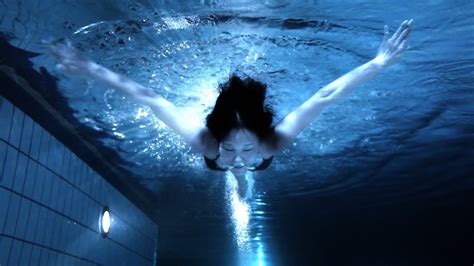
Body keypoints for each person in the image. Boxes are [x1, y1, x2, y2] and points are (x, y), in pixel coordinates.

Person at [48, 19, 413, 198]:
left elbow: (322, 97)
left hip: (250, 141)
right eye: (230, 147)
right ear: (215, 137)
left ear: (263, 140)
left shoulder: (272, 143)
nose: (238, 155)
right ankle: (241, 185)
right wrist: (88, 67)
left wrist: (378, 64)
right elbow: (150, 98)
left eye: (248, 148)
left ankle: (242, 186)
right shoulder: (207, 143)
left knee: (243, 174)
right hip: (224, 142)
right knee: (236, 172)